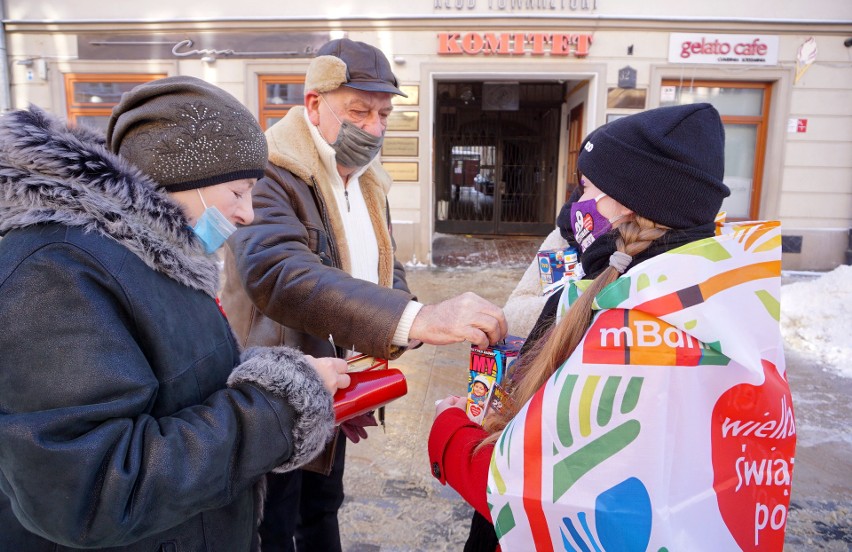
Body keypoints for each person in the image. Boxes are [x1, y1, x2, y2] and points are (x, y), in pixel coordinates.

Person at [0, 76, 351, 551]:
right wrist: (278, 408)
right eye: (238, 191)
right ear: (181, 180)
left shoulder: (152, 257)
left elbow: (175, 387)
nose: (247, 214)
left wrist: (279, 376)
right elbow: (90, 492)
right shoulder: (55, 271)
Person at [429, 103, 795, 551]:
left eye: (586, 188)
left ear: (626, 205)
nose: (578, 205)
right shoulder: (715, 302)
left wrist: (449, 431)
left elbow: (541, 495)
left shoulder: (629, 329)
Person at [221, 38, 508, 551]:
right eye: (359, 111)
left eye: (383, 114)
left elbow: (386, 264)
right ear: (314, 103)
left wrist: (377, 357)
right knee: (272, 522)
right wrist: (416, 319)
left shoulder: (368, 181)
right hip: (277, 386)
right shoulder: (271, 173)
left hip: (341, 385)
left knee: (323, 507)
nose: (374, 128)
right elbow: (278, 274)